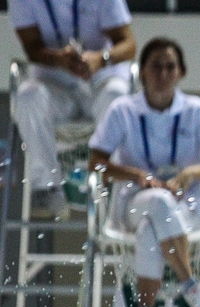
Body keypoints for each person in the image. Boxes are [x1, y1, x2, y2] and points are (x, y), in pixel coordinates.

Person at [88, 37, 200, 307]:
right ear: (141, 72)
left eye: (170, 67)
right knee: (157, 200)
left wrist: (193, 171)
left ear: (181, 72)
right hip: (134, 201)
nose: (163, 74)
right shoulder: (122, 110)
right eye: (156, 67)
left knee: (149, 229)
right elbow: (96, 164)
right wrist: (135, 174)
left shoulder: (196, 110)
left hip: (188, 207)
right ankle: (191, 285)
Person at [9, 0, 136, 218]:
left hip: (100, 84)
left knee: (116, 95)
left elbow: (128, 45)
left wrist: (101, 59)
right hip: (55, 88)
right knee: (27, 95)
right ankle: (47, 187)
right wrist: (59, 59)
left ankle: (112, 184)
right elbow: (31, 47)